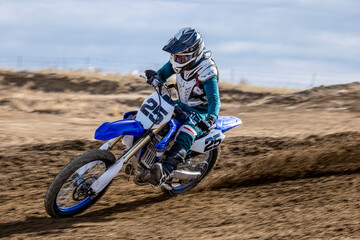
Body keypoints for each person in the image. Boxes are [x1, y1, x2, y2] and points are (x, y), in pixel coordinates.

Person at [145, 27, 221, 186]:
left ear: (193, 54)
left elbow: (214, 99)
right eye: (174, 56)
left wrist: (210, 119)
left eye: (179, 57)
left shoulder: (207, 70)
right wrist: (154, 77)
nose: (175, 59)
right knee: (156, 115)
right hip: (181, 105)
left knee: (187, 131)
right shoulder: (177, 62)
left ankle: (165, 170)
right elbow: (161, 75)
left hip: (200, 113)